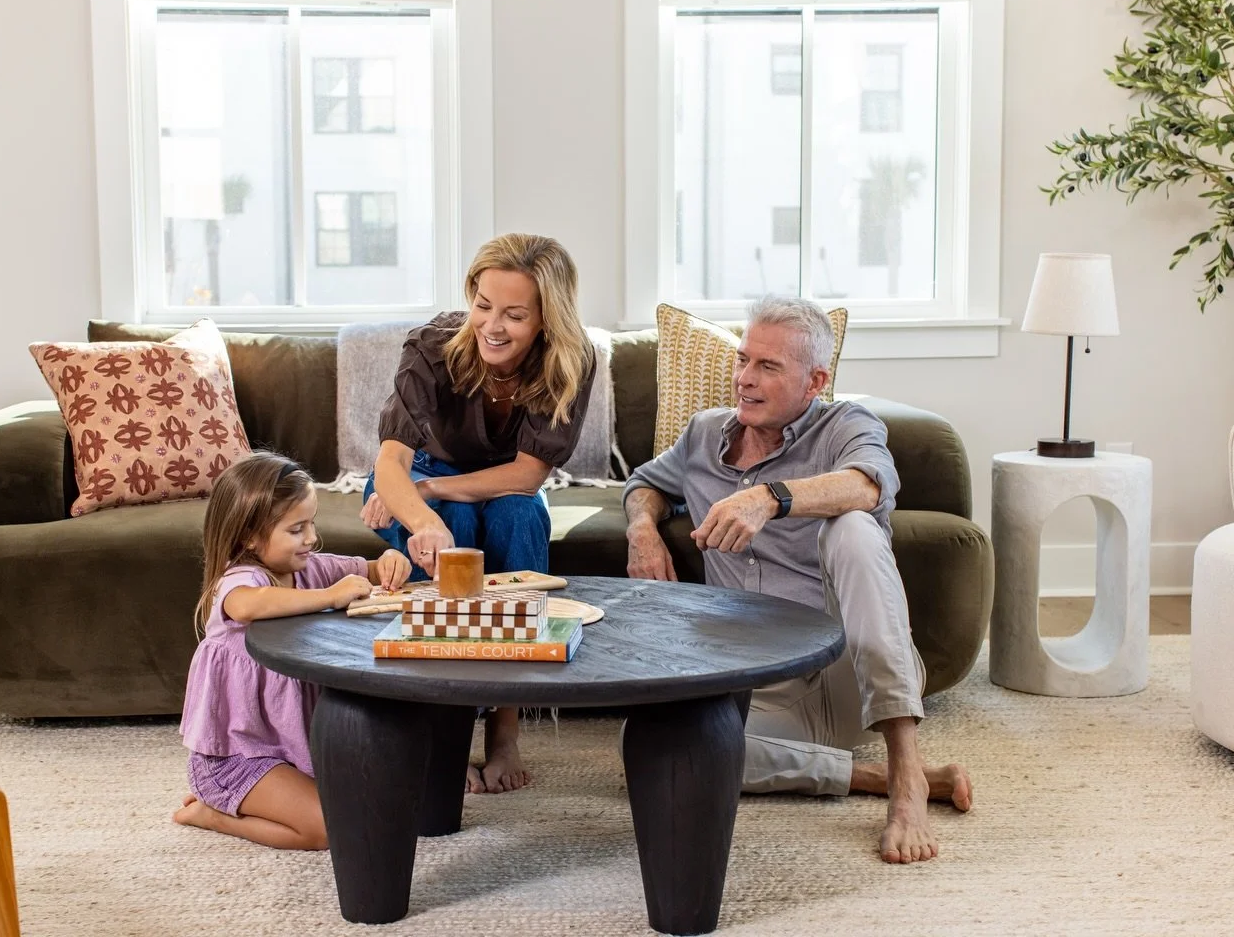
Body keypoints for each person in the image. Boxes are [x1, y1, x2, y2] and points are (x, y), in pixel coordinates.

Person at [622, 296, 973, 864]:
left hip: (844, 669)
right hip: (763, 690)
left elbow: (867, 486)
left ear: (815, 382)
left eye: (768, 367)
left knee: (852, 527)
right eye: (743, 360)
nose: (745, 378)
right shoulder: (704, 435)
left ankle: (906, 770)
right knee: (658, 749)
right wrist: (643, 530)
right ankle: (867, 776)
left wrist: (771, 498)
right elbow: (644, 483)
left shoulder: (846, 425)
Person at [359, 232, 596, 794]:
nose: (492, 326)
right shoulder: (431, 347)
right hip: (420, 471)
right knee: (457, 532)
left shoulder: (570, 359)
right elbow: (391, 464)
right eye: (484, 306)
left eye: (515, 315)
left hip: (496, 482)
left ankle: (505, 729)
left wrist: (432, 493)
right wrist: (424, 516)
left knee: (519, 519)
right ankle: (443, 730)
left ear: (547, 318)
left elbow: (527, 475)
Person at [174, 452, 411, 849]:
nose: (311, 538)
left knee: (381, 798)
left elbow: (370, 569)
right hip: (236, 758)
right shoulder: (240, 579)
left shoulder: (308, 569)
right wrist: (330, 596)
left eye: (311, 523)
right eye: (296, 529)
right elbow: (246, 605)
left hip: (292, 754)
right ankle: (212, 814)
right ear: (250, 537)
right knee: (327, 830)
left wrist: (390, 560)